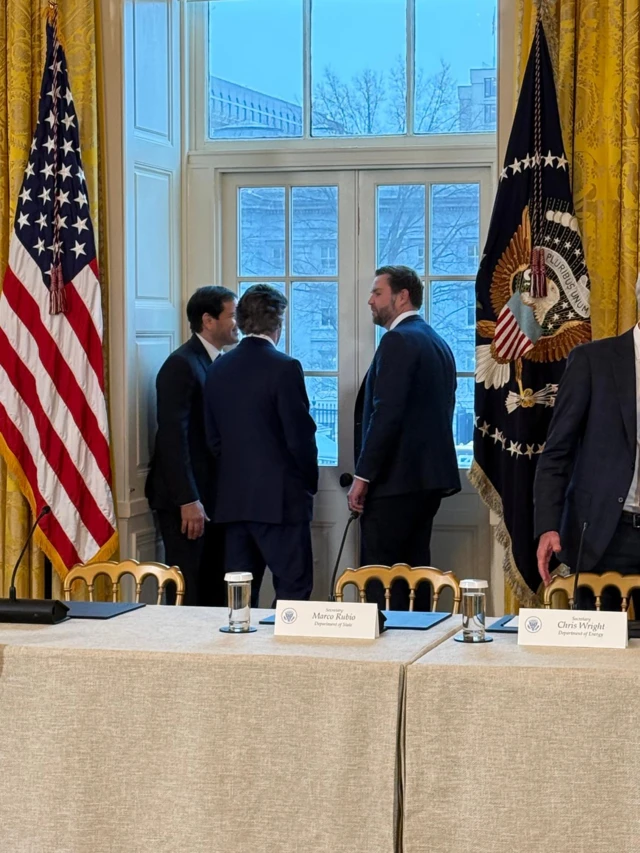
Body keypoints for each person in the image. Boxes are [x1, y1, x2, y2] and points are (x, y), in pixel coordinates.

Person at [348, 265, 461, 609]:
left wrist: (363, 476)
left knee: (382, 582)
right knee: (415, 578)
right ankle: (418, 635)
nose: (370, 301)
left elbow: (387, 413)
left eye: (377, 293)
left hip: (394, 483)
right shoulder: (437, 341)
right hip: (425, 483)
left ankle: (387, 643)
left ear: (402, 297)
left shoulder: (397, 340)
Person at [204, 284, 318, 605]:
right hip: (281, 503)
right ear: (278, 322)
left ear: (241, 321)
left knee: (239, 596)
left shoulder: (217, 368)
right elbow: (299, 438)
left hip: (234, 502)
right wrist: (309, 484)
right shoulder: (285, 367)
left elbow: (213, 439)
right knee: (293, 593)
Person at [535, 310, 640, 611]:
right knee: (596, 641)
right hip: (605, 536)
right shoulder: (593, 361)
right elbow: (558, 451)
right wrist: (548, 526)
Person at [146, 286, 238, 605]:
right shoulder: (181, 365)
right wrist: (188, 500)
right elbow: (173, 438)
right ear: (208, 321)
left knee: (214, 590)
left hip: (212, 498)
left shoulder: (216, 362)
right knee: (188, 589)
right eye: (233, 315)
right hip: (186, 502)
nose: (239, 322)